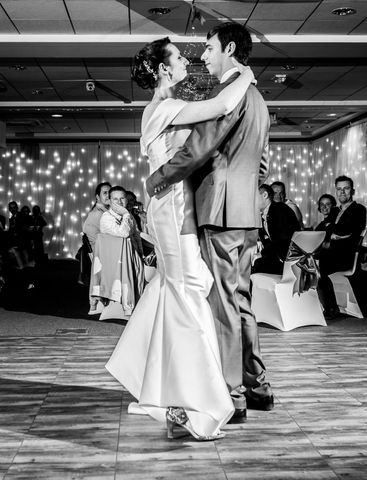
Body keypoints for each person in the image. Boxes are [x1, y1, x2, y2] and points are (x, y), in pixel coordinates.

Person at [106, 28, 259, 441]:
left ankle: (175, 402)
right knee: (191, 291)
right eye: (177, 58)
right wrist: (245, 74)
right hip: (172, 209)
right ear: (161, 69)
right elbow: (224, 103)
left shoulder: (167, 105)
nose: (186, 62)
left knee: (186, 290)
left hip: (175, 205)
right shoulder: (163, 106)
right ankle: (190, 407)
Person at [317, 176, 367, 319]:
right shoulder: (333, 211)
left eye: (346, 188)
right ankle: (314, 304)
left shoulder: (358, 209)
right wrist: (334, 234)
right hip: (332, 252)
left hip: (347, 254)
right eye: (339, 189)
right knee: (310, 258)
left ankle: (331, 308)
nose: (342, 192)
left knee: (321, 263)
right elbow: (323, 229)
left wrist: (334, 235)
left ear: (353, 191)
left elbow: (352, 231)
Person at [253, 184, 299, 275]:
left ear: (265, 195)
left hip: (289, 259)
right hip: (275, 257)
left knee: (252, 267)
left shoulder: (280, 209)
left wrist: (262, 254)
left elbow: (282, 239)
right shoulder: (263, 215)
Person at [82, 182, 111, 252]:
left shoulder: (104, 212)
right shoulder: (98, 214)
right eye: (105, 193)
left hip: (106, 249)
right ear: (98, 197)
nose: (108, 195)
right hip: (102, 253)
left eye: (110, 193)